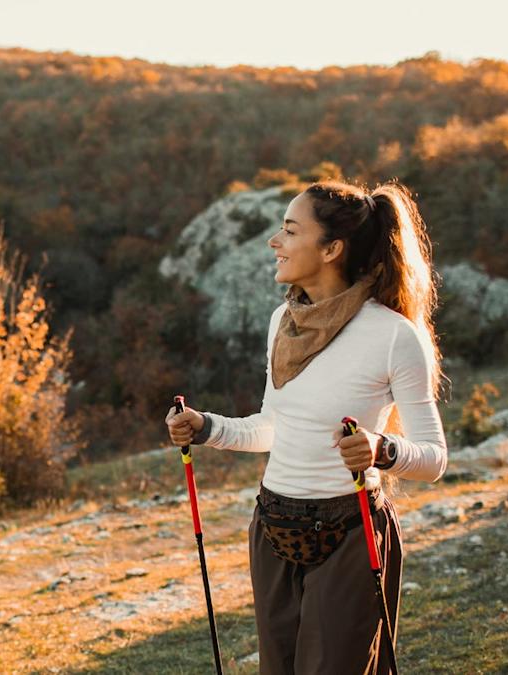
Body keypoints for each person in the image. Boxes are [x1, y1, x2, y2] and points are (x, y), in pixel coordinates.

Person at [164, 179, 449, 674]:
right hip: (272, 526)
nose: (274, 241)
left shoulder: (393, 335)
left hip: (351, 534)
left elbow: (434, 458)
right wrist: (206, 427)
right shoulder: (284, 320)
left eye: (291, 231)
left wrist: (381, 449)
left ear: (332, 249)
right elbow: (273, 427)